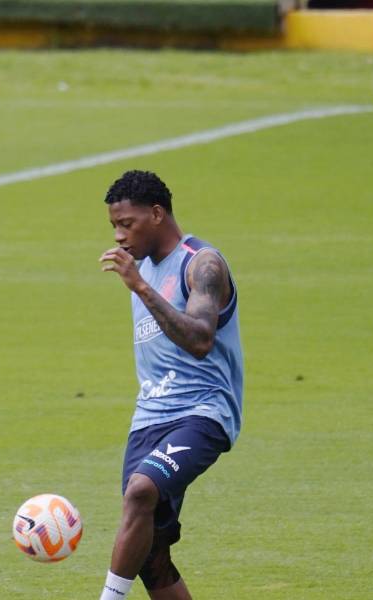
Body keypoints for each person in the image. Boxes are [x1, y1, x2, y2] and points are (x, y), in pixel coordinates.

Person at [96, 170, 244, 600]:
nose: (120, 236)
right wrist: (140, 281)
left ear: (157, 214)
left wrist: (140, 287)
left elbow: (200, 339)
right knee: (150, 557)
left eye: (128, 224)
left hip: (202, 413)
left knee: (141, 492)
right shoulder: (140, 268)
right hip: (148, 419)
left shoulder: (202, 263)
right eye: (114, 227)